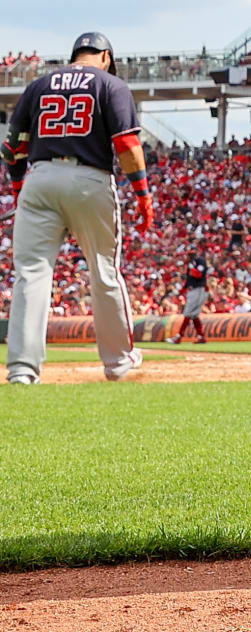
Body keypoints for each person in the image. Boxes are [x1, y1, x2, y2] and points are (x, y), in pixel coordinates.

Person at [2, 32, 152, 384]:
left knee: (31, 275)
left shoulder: (39, 84)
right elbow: (127, 143)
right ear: (104, 56)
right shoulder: (110, 84)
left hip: (40, 178)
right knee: (104, 271)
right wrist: (143, 195)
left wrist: (21, 186)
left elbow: (12, 148)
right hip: (89, 179)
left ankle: (23, 370)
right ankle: (118, 363)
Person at [172, 250, 209, 344]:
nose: (187, 257)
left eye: (189, 255)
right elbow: (189, 280)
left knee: (188, 312)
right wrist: (182, 290)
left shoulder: (200, 261)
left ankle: (179, 336)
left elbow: (199, 274)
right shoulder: (190, 264)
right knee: (194, 315)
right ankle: (201, 336)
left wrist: (192, 268)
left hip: (199, 289)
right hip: (193, 290)